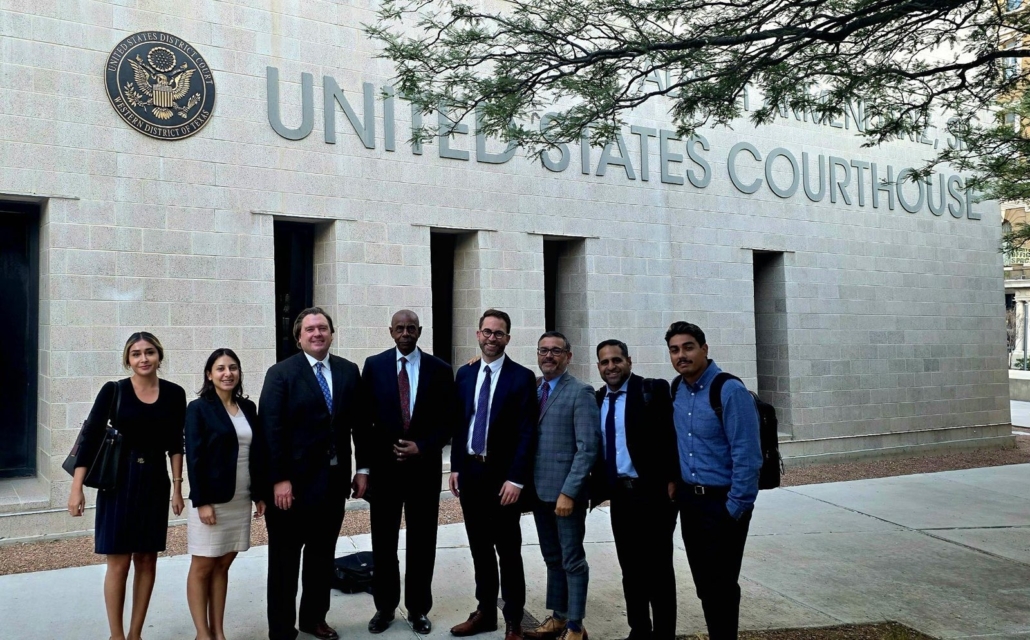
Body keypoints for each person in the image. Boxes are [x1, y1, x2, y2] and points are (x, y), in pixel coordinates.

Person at [67, 331, 186, 640]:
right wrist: (77, 488)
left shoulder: (175, 394)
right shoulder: (114, 390)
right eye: (136, 354)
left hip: (154, 481)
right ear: (128, 360)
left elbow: (176, 443)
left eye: (149, 352)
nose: (143, 358)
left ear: (159, 355)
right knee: (118, 561)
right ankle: (116, 635)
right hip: (117, 482)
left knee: (147, 559)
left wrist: (177, 487)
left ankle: (135, 634)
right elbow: (90, 438)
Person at [259, 307, 367, 640]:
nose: (317, 333)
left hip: (333, 485)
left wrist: (362, 469)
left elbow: (360, 425)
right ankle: (281, 628)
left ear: (332, 333)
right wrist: (279, 479)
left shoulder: (348, 371)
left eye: (322, 328)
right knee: (284, 561)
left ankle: (314, 619)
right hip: (291, 488)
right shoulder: (281, 374)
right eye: (310, 329)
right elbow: (270, 429)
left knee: (321, 557)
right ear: (299, 337)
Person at [356, 309, 455, 635]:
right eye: (400, 328)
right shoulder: (374, 366)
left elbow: (449, 421)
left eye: (411, 328)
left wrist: (422, 446)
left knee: (422, 543)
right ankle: (385, 607)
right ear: (391, 331)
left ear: (420, 331)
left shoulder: (440, 370)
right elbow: (363, 421)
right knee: (383, 543)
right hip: (385, 472)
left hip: (424, 471)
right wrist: (364, 467)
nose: (405, 333)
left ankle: (418, 608)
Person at [665, 322, 762, 640]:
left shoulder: (729, 390)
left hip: (724, 503)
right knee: (705, 585)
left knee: (721, 585)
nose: (681, 355)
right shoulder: (677, 389)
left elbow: (748, 456)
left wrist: (735, 508)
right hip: (691, 503)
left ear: (704, 349)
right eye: (674, 350)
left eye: (688, 347)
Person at [449, 309, 538, 640]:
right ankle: (485, 612)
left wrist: (516, 479)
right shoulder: (465, 373)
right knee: (480, 548)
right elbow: (461, 424)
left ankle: (514, 620)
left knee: (508, 551)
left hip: (503, 480)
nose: (491, 338)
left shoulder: (521, 377)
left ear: (507, 339)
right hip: (471, 473)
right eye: (487, 331)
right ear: (478, 334)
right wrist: (456, 466)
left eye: (498, 333)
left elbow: (527, 432)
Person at [589, 339, 679, 640]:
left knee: (659, 570)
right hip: (620, 496)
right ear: (598, 367)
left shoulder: (652, 390)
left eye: (616, 360)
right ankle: (639, 630)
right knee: (630, 569)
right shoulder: (599, 399)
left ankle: (664, 634)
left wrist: (672, 479)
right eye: (605, 362)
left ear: (629, 361)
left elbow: (671, 436)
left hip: (653, 495)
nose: (611, 367)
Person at [184, 348, 269, 640]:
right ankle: (202, 633)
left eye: (233, 367)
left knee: (222, 565)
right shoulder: (198, 409)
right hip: (212, 500)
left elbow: (257, 453)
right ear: (209, 374)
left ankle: (218, 632)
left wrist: (259, 494)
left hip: (240, 497)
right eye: (220, 368)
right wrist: (202, 501)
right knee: (203, 566)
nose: (227, 373)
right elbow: (194, 458)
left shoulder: (248, 407)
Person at [524, 332, 599, 640]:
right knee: (552, 558)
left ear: (568, 356)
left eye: (556, 351)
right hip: (539, 492)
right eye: (543, 350)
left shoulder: (581, 392)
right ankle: (558, 617)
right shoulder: (534, 389)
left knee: (572, 560)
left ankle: (576, 626)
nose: (549, 356)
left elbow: (588, 448)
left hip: (566, 495)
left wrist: (569, 492)